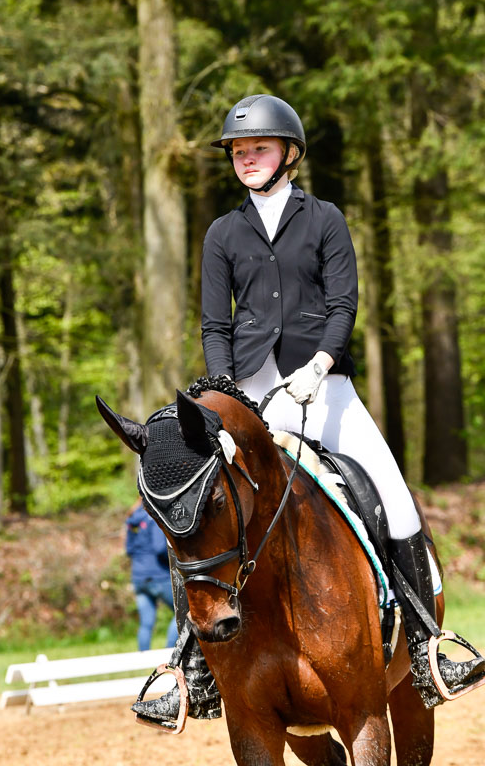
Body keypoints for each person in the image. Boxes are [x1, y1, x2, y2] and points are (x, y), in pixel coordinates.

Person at [134, 94, 485, 726]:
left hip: (324, 387)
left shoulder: (324, 219)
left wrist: (319, 367)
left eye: (257, 149)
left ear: (289, 154)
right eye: (238, 152)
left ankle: (429, 643)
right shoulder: (222, 233)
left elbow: (344, 305)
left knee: (394, 498)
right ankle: (186, 667)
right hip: (247, 396)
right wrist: (222, 395)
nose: (245, 159)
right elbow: (216, 321)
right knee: (206, 509)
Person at [126, 500, 177, 652]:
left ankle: (143, 661)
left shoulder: (132, 520)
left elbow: (129, 550)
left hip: (138, 578)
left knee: (146, 623)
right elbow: (159, 548)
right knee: (184, 613)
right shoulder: (153, 517)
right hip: (158, 576)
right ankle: (168, 653)